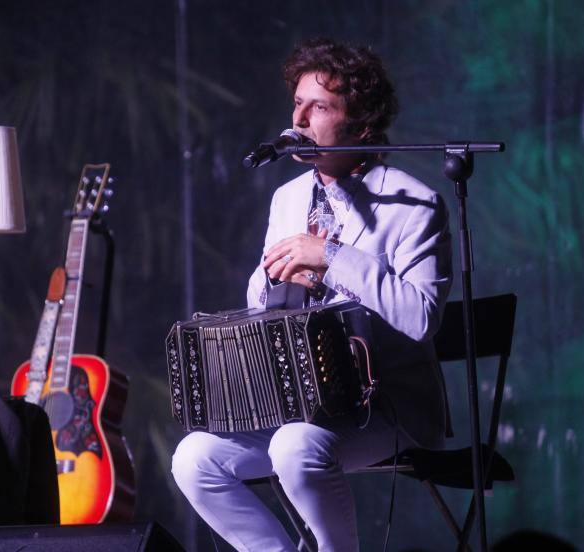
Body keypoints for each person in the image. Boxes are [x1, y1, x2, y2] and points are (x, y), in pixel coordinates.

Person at [172, 37, 453, 552]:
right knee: (194, 458)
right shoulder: (287, 198)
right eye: (297, 103)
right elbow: (260, 298)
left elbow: (421, 318)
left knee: (294, 446)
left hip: (385, 409)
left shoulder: (414, 203)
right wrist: (278, 281)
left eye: (319, 106)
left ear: (362, 123)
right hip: (298, 403)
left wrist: (332, 258)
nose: (299, 119)